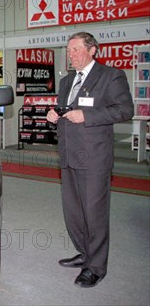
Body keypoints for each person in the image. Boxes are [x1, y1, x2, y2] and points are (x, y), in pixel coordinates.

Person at [46, 32, 134, 288]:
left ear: (93, 50)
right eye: (68, 50)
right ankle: (84, 253)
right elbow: (66, 110)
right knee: (74, 213)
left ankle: (95, 267)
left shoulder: (110, 76)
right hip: (69, 155)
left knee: (94, 214)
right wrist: (55, 115)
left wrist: (87, 115)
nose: (70, 55)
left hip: (94, 157)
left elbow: (125, 110)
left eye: (75, 49)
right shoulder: (67, 81)